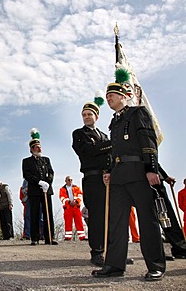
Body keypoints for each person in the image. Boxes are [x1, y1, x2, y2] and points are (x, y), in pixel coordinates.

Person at [92, 82, 166, 281]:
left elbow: (148, 141)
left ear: (124, 96)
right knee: (116, 222)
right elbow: (115, 151)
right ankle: (115, 265)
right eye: (107, 96)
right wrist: (109, 171)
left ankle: (156, 265)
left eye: (112, 95)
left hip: (138, 172)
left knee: (147, 220)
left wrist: (151, 169)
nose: (108, 99)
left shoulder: (137, 113)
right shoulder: (114, 122)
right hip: (118, 176)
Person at [72, 98, 111, 265]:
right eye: (84, 115)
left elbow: (109, 157)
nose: (86, 117)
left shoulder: (103, 135)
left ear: (97, 116)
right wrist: (110, 145)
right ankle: (97, 251)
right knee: (96, 216)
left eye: (89, 114)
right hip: (92, 178)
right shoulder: (79, 134)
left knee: (110, 215)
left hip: (108, 178)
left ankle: (112, 252)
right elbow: (87, 151)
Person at [156, 165, 186, 259]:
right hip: (148, 180)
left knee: (164, 215)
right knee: (163, 213)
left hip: (149, 177)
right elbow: (149, 155)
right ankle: (177, 249)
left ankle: (179, 249)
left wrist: (165, 176)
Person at [22, 128, 57, 246]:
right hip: (35, 190)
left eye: (40, 146)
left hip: (47, 190)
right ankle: (35, 238)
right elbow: (27, 175)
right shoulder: (26, 161)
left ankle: (50, 237)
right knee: (35, 214)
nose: (39, 148)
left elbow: (51, 172)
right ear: (32, 149)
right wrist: (39, 182)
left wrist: (48, 182)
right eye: (37, 147)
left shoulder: (46, 160)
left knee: (48, 214)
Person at [59, 175, 86, 241]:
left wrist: (76, 201)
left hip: (76, 207)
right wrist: (69, 202)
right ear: (65, 181)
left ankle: (82, 237)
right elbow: (62, 198)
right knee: (68, 222)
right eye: (69, 180)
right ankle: (68, 237)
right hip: (68, 208)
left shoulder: (76, 187)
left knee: (79, 222)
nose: (70, 181)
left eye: (71, 180)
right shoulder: (62, 189)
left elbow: (80, 195)